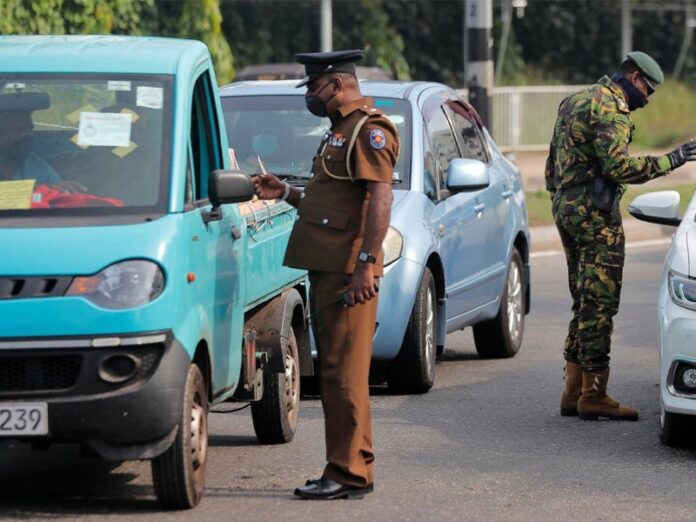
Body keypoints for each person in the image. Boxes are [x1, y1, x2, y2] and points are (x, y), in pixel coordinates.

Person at [252, 49, 398, 499]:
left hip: (348, 273)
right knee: (337, 373)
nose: (310, 96)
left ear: (336, 84)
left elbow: (380, 200)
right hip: (330, 269)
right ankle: (353, 466)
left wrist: (367, 265)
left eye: (314, 87)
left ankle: (348, 473)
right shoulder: (340, 131)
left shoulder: (369, 131)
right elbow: (333, 203)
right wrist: (289, 194)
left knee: (344, 376)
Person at [545, 51, 696, 421]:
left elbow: (552, 165)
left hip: (567, 209)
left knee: (583, 297)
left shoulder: (575, 100)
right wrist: (673, 160)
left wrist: (567, 201)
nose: (649, 98)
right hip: (595, 217)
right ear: (632, 77)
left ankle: (572, 390)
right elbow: (618, 167)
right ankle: (593, 395)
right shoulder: (609, 109)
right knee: (600, 303)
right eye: (648, 88)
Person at [0, 92, 84, 193]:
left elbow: (55, 191)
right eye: (19, 130)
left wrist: (57, 191)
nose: (27, 135)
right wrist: (43, 191)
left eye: (30, 129)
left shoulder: (34, 165)